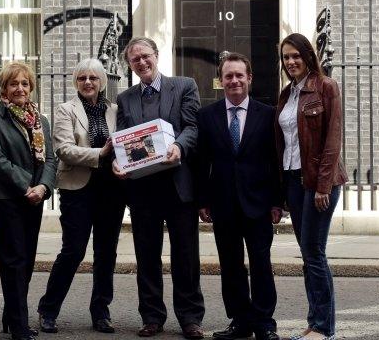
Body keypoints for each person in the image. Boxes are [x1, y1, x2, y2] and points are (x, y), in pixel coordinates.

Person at [113, 37, 205, 339]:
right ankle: (152, 316)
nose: (141, 62)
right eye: (135, 59)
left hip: (178, 186)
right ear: (130, 64)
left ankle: (190, 318)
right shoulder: (125, 98)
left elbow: (193, 127)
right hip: (144, 190)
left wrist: (179, 145)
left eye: (145, 56)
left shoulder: (184, 86)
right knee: (147, 256)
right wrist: (119, 163)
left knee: (186, 256)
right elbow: (124, 140)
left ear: (156, 55)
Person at [195, 52, 283, 340]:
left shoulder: (268, 114)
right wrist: (203, 201)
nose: (234, 80)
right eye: (228, 76)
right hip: (223, 205)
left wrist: (276, 202)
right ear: (221, 81)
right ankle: (240, 322)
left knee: (261, 264)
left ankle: (264, 324)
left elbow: (276, 161)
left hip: (258, 204)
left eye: (239, 75)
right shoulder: (206, 116)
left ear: (249, 79)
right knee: (230, 266)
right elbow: (201, 162)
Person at [36, 58, 125, 334]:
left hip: (112, 189)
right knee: (73, 250)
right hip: (78, 189)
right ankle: (48, 309)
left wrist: (122, 160)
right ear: (76, 82)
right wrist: (101, 153)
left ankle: (101, 312)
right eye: (82, 78)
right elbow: (64, 149)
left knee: (106, 253)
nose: (88, 82)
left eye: (93, 78)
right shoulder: (66, 110)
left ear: (102, 82)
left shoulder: (116, 110)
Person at [275, 33, 347, 340]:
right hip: (293, 180)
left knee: (315, 253)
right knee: (307, 255)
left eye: (296, 56)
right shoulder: (287, 93)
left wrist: (323, 186)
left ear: (308, 56)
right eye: (286, 57)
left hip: (319, 181)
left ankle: (323, 327)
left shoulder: (326, 87)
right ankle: (315, 321)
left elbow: (333, 141)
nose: (291, 62)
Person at [0, 62, 56, 340]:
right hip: (6, 198)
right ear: (4, 89)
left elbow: (50, 158)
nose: (19, 89)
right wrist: (27, 186)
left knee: (27, 261)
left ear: (31, 88)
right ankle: (19, 326)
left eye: (24, 84)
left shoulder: (41, 120)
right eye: (14, 84)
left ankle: (11, 316)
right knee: (13, 260)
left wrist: (44, 187)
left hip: (34, 198)